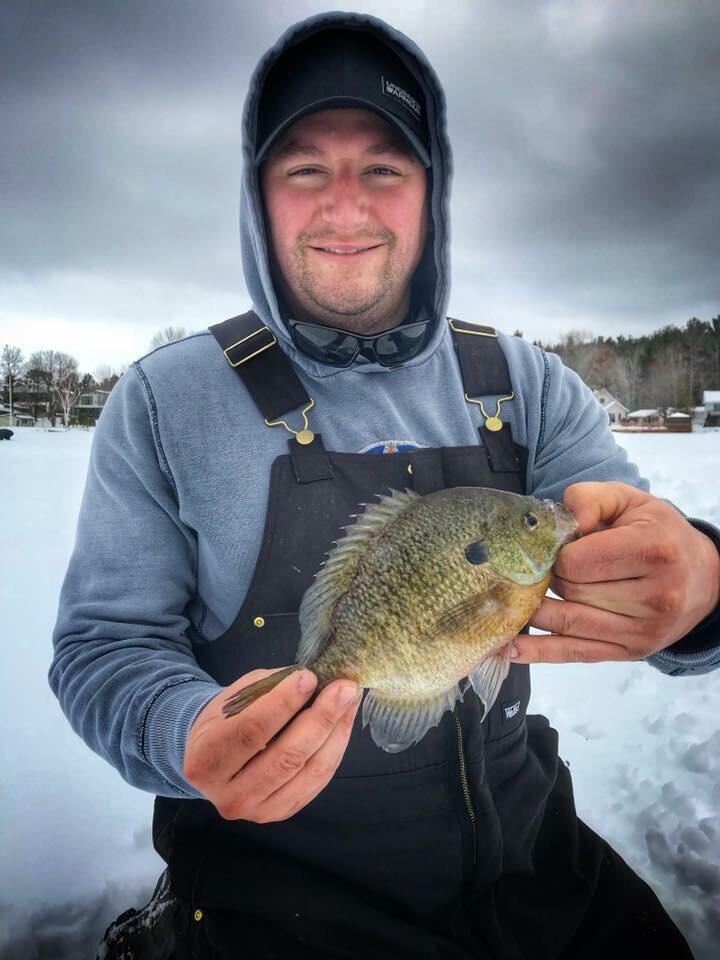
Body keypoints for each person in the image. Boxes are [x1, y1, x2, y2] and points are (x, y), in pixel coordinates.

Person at [50, 13, 720, 960]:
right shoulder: (166, 399)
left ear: (431, 192)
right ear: (258, 196)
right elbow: (102, 647)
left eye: (384, 167)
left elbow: (635, 544)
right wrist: (182, 729)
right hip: (269, 890)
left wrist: (696, 585)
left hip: (535, 862)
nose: (345, 208)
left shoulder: (526, 382)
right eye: (305, 169)